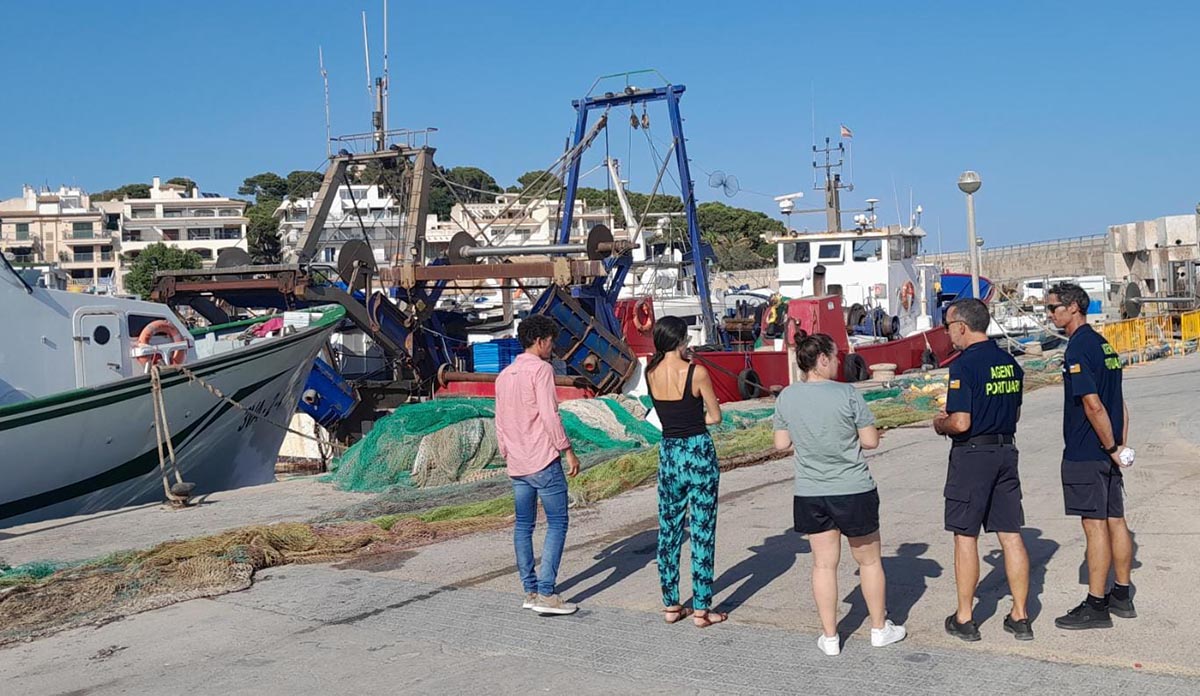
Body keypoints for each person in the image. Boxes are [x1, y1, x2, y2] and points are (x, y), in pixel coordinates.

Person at [773, 333, 906, 655]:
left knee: (823, 565)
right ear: (821, 359)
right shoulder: (847, 393)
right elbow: (871, 440)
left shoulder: (786, 397)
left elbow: (780, 444)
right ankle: (878, 628)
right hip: (853, 488)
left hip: (810, 492)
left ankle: (830, 637)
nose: (837, 363)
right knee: (870, 561)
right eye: (834, 358)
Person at [933, 299, 1033, 642]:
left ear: (962, 326)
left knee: (965, 535)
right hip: (1006, 449)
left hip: (973, 454)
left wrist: (940, 423)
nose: (947, 334)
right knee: (1010, 533)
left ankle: (965, 617)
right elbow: (1015, 414)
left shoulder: (964, 366)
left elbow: (961, 422)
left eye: (948, 326)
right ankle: (1020, 615)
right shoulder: (1009, 362)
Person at [1046, 282, 1135, 629]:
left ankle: (1096, 604)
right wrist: (1119, 447)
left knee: (1094, 525)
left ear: (1073, 308)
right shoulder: (1104, 345)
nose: (1050, 313)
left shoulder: (1079, 348)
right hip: (1109, 450)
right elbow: (1121, 403)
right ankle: (1122, 595)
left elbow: (1093, 403)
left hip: (1088, 451)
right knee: (1116, 519)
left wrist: (1111, 448)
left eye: (1053, 307)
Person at [495, 314, 582, 616]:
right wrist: (567, 449)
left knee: (523, 526)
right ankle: (547, 592)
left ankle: (530, 590)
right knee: (557, 523)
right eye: (551, 342)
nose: (552, 347)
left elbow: (499, 421)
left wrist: (506, 452)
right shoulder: (542, 371)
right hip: (543, 459)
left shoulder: (504, 375)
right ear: (541, 340)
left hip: (517, 462)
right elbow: (549, 414)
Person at [645, 316, 726, 628]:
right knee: (703, 529)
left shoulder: (650, 372)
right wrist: (695, 420)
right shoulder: (697, 372)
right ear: (680, 340)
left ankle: (670, 603)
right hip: (697, 452)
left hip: (669, 453)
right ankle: (703, 609)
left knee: (669, 530)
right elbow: (715, 416)